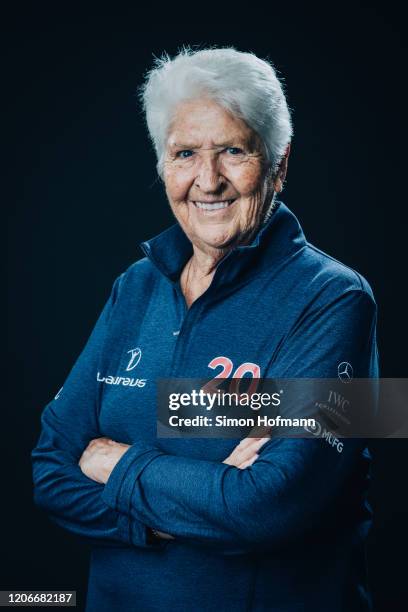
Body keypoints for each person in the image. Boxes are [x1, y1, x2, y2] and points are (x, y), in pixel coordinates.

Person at [31, 47, 379, 611]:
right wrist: (177, 514)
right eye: (185, 153)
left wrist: (114, 463)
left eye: (234, 151)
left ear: (279, 163)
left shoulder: (337, 300)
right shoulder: (136, 285)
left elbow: (269, 507)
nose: (208, 181)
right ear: (164, 165)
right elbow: (49, 471)